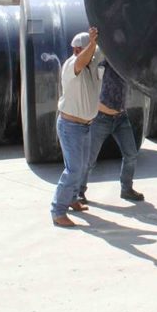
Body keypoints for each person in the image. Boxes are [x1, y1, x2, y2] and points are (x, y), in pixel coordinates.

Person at [50, 27, 102, 227]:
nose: (94, 54)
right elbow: (83, 59)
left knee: (83, 167)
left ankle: (72, 199)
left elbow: (101, 54)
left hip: (85, 126)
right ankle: (57, 210)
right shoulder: (73, 64)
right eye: (90, 50)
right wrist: (93, 43)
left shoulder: (92, 62)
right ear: (78, 50)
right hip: (71, 126)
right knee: (74, 170)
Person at [80, 58, 144, 203]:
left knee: (131, 155)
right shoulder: (108, 60)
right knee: (90, 159)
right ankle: (79, 191)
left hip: (121, 117)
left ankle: (126, 189)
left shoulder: (128, 65)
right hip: (101, 118)